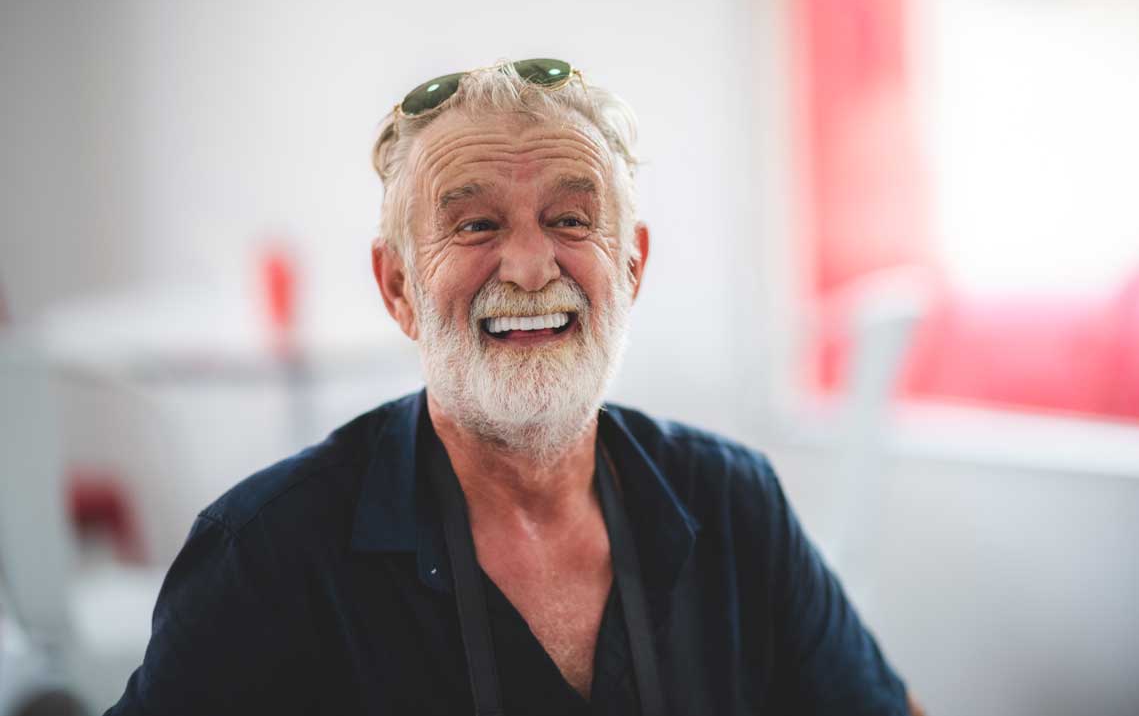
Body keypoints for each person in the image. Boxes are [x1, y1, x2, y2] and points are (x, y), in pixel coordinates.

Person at [105, 59, 922, 715]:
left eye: (571, 219)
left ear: (631, 265)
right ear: (397, 289)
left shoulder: (735, 506)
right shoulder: (268, 557)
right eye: (475, 225)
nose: (532, 267)